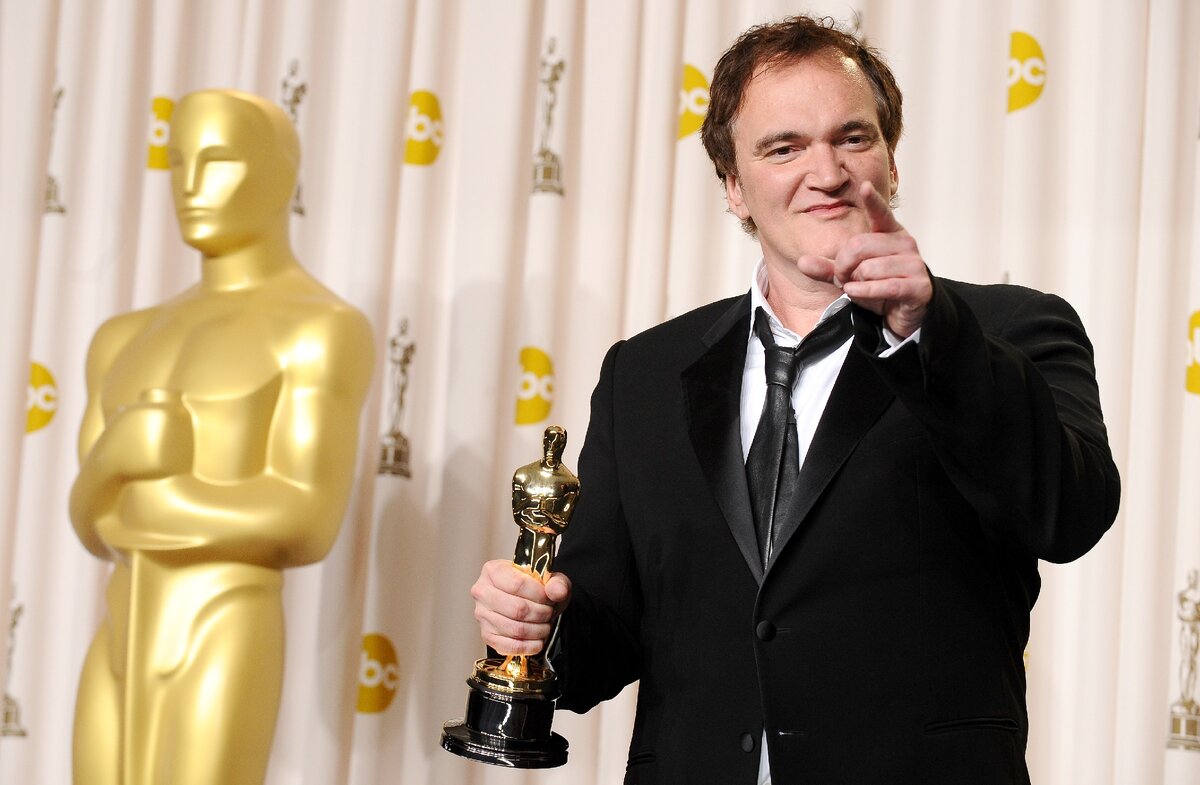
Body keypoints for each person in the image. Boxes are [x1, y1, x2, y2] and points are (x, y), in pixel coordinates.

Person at [471, 15, 1119, 784]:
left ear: (891, 161)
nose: (827, 171)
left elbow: (1073, 513)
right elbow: (606, 637)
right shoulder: (642, 374)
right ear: (734, 187)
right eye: (784, 147)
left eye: (852, 137)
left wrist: (927, 334)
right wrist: (538, 625)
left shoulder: (1006, 331)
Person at [68, 89, 374, 785]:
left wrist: (150, 493)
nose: (190, 185)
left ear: (281, 173)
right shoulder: (121, 337)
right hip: (120, 623)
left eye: (218, 160)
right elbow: (88, 519)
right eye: (178, 162)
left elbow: (307, 518)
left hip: (224, 618)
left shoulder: (319, 329)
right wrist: (116, 458)